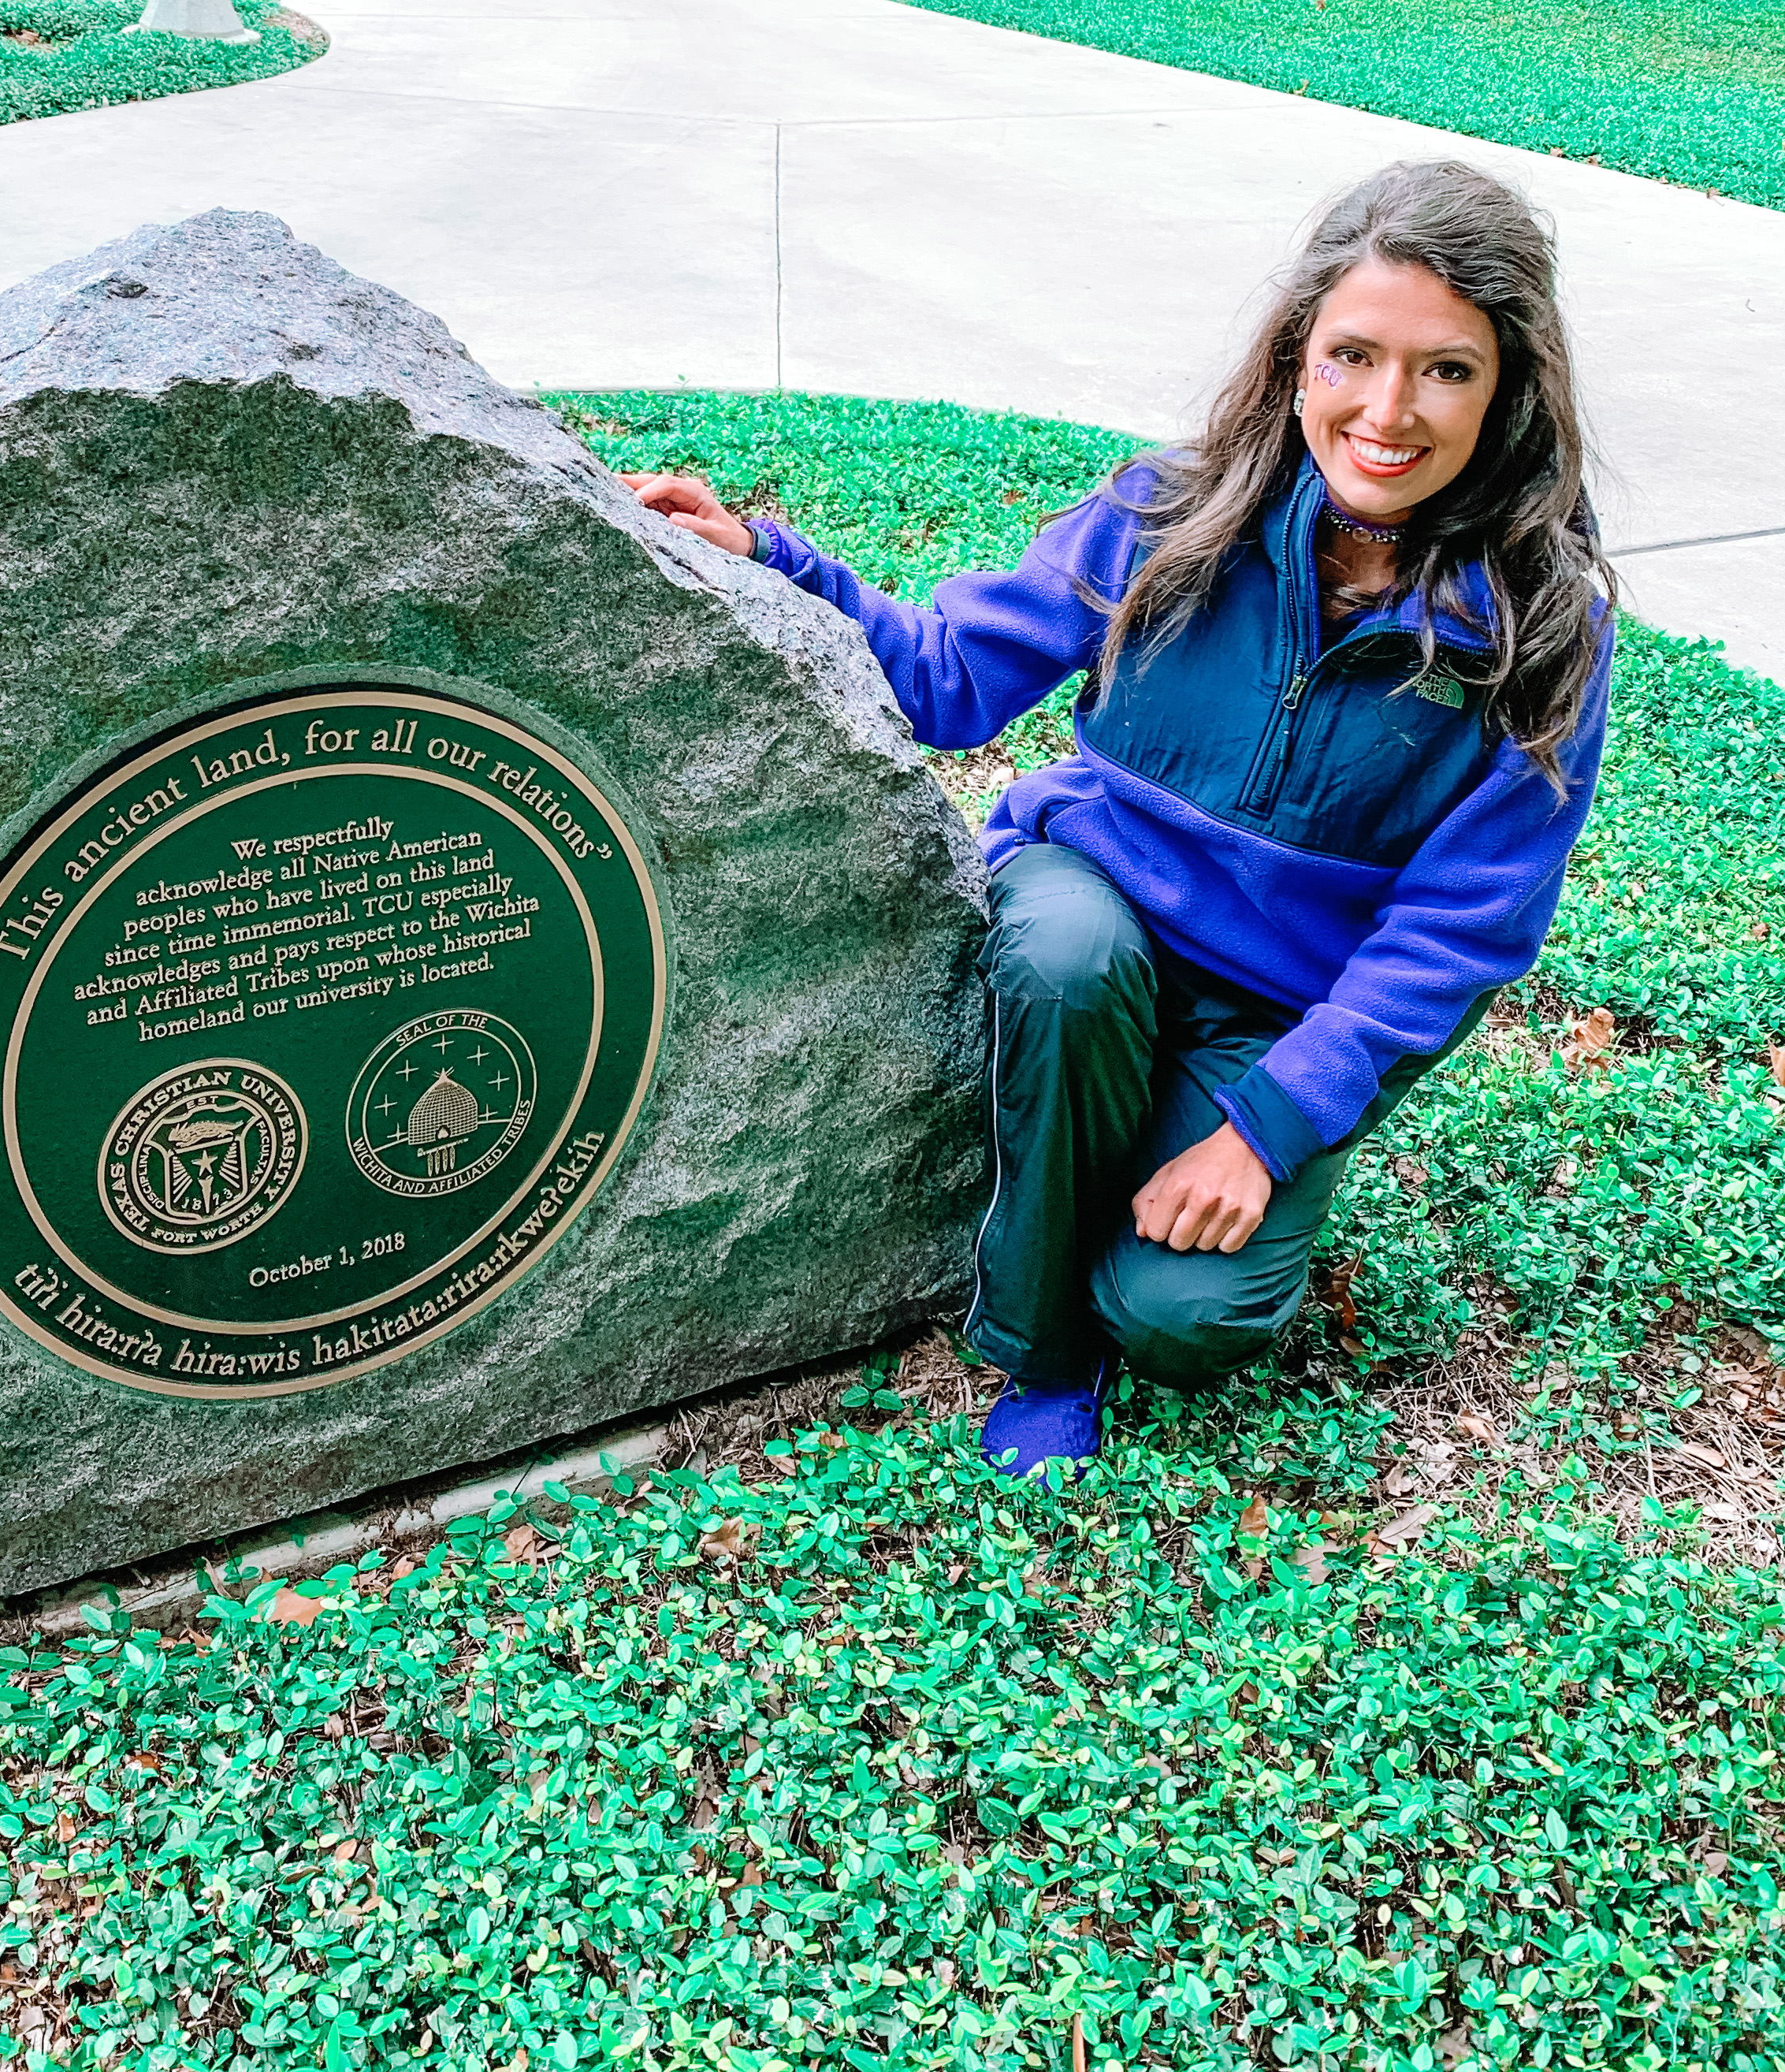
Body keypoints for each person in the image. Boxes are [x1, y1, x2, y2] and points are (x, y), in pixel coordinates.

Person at [621, 158, 1616, 1477]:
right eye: (1354, 356)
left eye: (1446, 370)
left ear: (1508, 391)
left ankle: (1141, 1161)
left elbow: (1460, 933)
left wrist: (1267, 1127)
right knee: (1069, 963)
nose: (1388, 411)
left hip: (1280, 1009)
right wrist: (778, 558)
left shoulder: (1542, 630)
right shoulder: (1170, 513)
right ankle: (1043, 1345)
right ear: (1294, 360)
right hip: (1094, 915)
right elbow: (950, 677)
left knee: (1190, 1319)